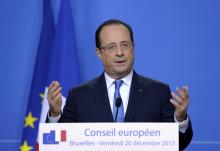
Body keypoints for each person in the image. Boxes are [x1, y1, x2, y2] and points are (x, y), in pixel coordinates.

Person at [47, 19, 193, 150]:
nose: (119, 52)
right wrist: (54, 114)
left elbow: (178, 144)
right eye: (111, 47)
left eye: (125, 45)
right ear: (99, 53)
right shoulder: (79, 96)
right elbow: (59, 146)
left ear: (133, 47)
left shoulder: (158, 92)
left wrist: (180, 119)